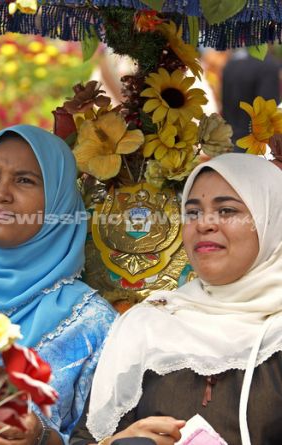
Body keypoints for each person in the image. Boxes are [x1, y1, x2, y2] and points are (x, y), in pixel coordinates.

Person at [70, 153, 282, 445]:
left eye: (227, 211)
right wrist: (117, 442)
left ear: (272, 219)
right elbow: (86, 439)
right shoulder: (150, 323)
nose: (204, 224)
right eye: (192, 213)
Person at [0, 125, 117, 444]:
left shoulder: (93, 325)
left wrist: (44, 438)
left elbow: (108, 440)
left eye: (24, 180)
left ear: (58, 200)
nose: (1, 193)